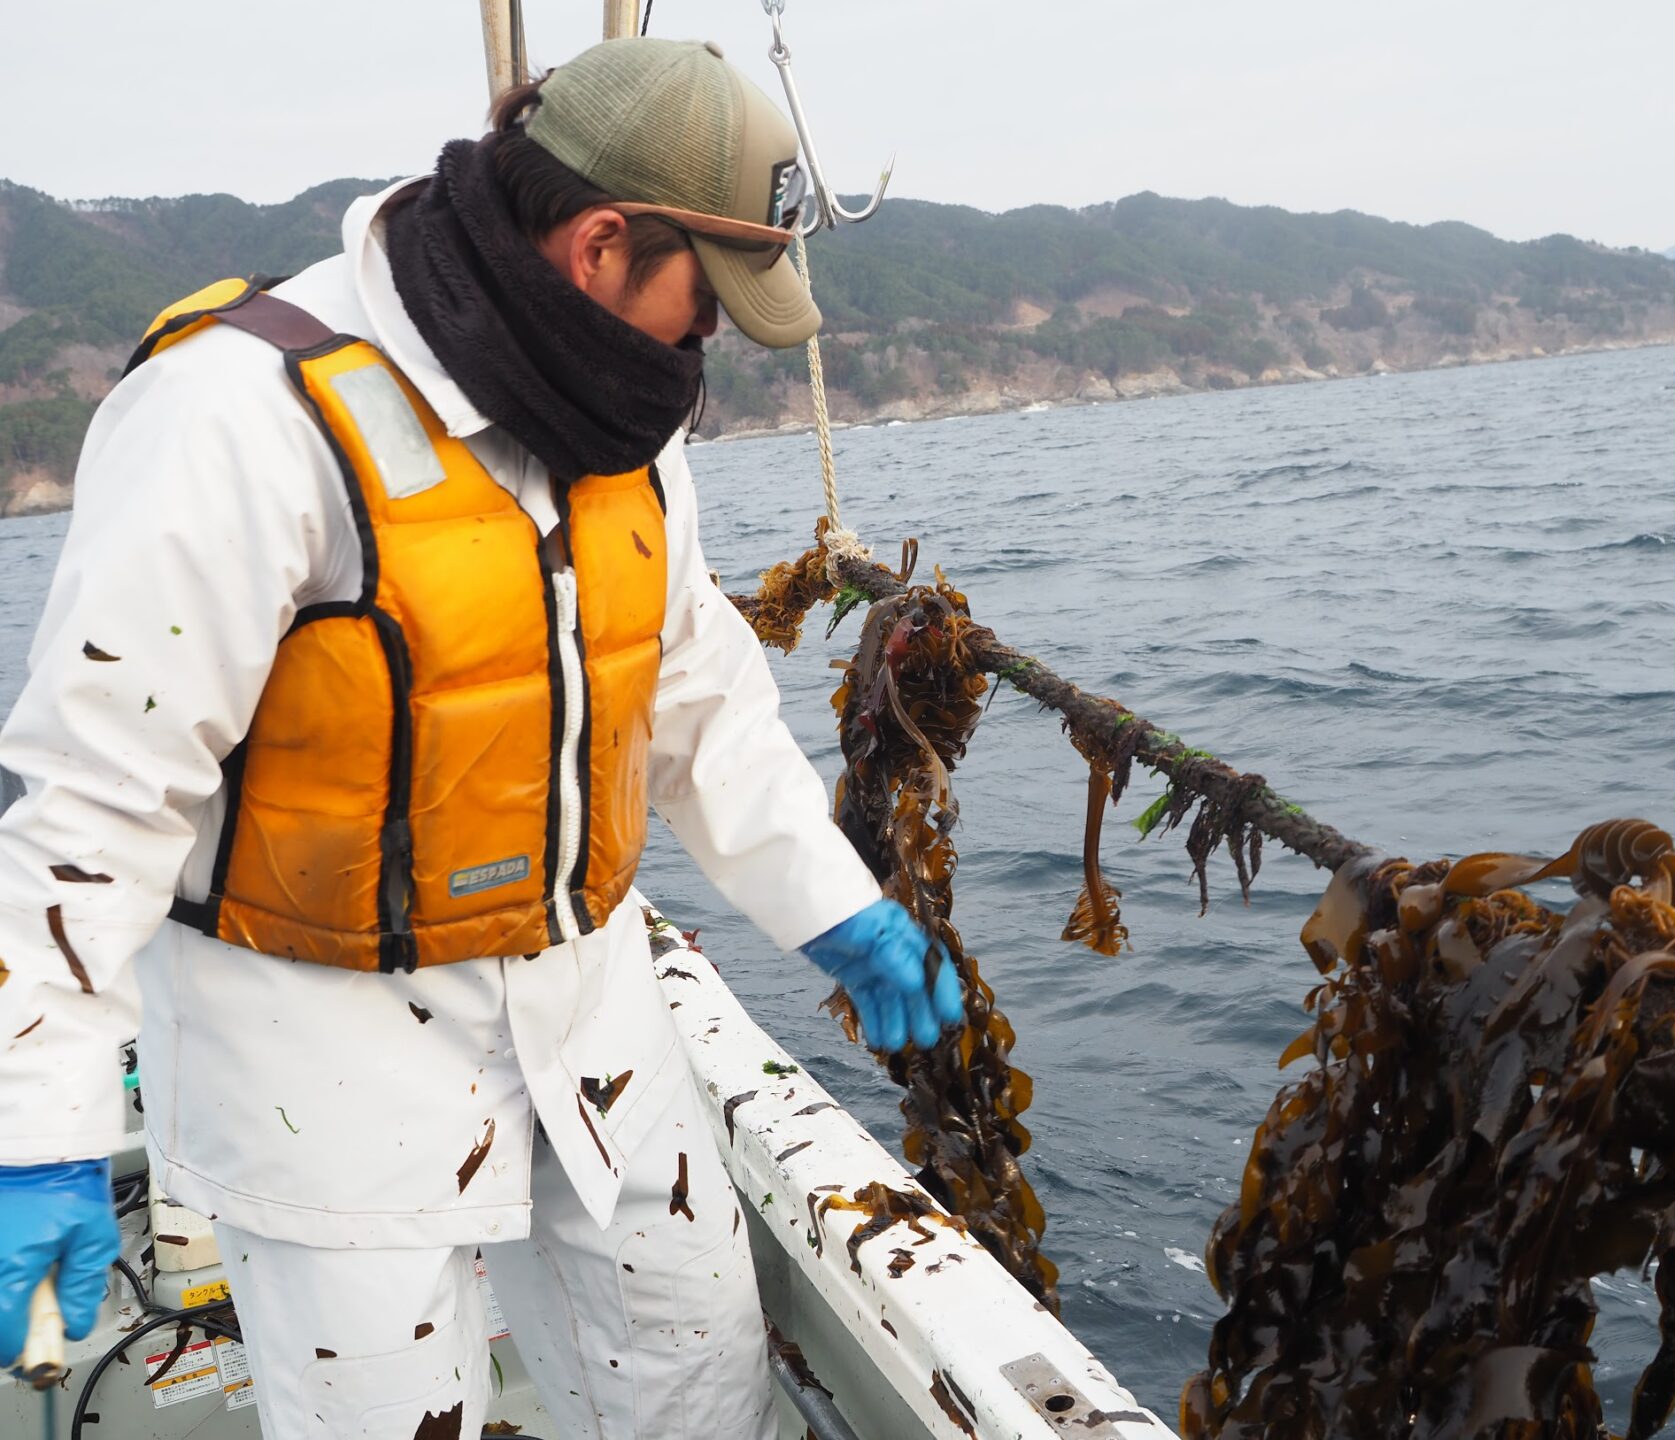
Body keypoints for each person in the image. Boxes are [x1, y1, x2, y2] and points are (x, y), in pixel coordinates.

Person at [0, 36, 961, 1440]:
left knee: (700, 1387)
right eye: (706, 303)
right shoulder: (236, 416)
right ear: (598, 244)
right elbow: (95, 797)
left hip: (591, 1012)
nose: (707, 349)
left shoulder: (616, 408)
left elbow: (694, 699)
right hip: (313, 1060)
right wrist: (40, 1125)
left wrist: (841, 916)